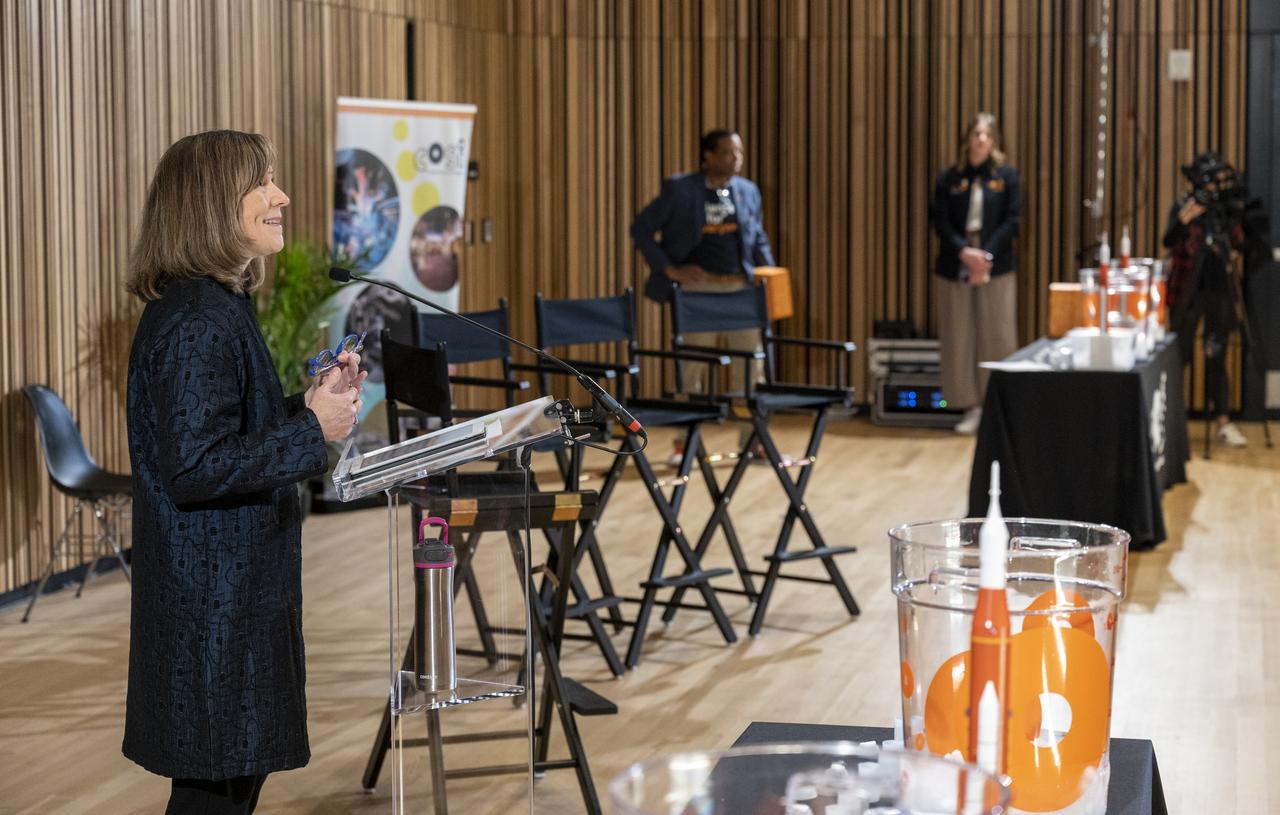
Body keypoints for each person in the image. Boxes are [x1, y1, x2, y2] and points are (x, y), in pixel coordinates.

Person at [123, 129, 366, 814]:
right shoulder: (198, 318)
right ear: (211, 203)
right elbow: (196, 466)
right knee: (213, 794)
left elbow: (219, 432)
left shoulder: (212, 305)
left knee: (228, 787)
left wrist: (308, 405)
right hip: (213, 611)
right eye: (263, 182)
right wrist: (310, 429)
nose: (281, 196)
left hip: (226, 601)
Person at [631, 129, 776, 459]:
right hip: (699, 290)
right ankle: (685, 444)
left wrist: (768, 275)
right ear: (707, 155)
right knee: (693, 368)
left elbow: (758, 237)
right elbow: (640, 228)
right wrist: (669, 269)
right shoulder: (681, 189)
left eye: (738, 152)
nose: (735, 159)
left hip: (740, 289)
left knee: (751, 368)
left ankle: (752, 442)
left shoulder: (747, 190)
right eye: (726, 152)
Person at [931, 112, 1021, 434]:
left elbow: (1012, 220)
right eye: (975, 134)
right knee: (960, 334)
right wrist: (964, 252)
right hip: (957, 259)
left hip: (995, 261)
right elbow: (940, 220)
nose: (980, 139)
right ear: (967, 139)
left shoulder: (1005, 176)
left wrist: (986, 255)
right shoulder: (951, 178)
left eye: (986, 134)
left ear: (994, 141)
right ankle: (969, 406)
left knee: (996, 333)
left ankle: (995, 405)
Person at [1162, 151, 1259, 448]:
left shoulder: (1225, 209)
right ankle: (1170, 423)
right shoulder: (1185, 204)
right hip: (1188, 288)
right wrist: (1183, 219)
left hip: (1218, 287)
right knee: (1180, 354)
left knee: (1216, 354)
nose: (1216, 187)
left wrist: (1233, 243)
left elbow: (1241, 242)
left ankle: (1223, 422)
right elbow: (1169, 241)